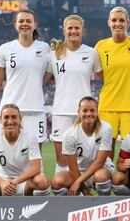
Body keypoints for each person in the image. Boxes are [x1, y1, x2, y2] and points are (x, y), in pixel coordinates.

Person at [0, 9, 50, 147]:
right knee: (8, 154)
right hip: (10, 109)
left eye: (28, 21)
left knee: (35, 156)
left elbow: (49, 75)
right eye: (21, 21)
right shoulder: (5, 48)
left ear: (35, 25)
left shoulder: (45, 48)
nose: (25, 24)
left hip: (36, 109)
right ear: (15, 25)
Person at [47, 15, 101, 173]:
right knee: (62, 160)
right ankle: (64, 188)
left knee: (86, 157)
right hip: (61, 111)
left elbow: (104, 77)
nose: (73, 31)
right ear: (64, 31)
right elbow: (47, 78)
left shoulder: (91, 53)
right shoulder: (54, 54)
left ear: (83, 31)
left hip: (85, 113)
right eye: (70, 28)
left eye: (77, 28)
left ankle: (81, 186)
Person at [95, 6, 130, 159]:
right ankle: (107, 179)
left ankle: (125, 180)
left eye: (121, 20)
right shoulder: (100, 46)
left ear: (128, 23)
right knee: (106, 150)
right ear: (109, 23)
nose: (118, 23)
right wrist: (114, 80)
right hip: (108, 105)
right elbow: (98, 72)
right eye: (114, 20)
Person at [0, 104, 50, 196]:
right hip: (2, 183)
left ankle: (35, 209)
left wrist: (15, 182)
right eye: (6, 117)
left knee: (42, 181)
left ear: (20, 119)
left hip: (25, 183)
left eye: (14, 117)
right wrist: (2, 182)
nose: (10, 121)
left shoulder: (30, 137)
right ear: (0, 119)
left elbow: (36, 168)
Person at [51, 97, 114, 196]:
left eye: (92, 110)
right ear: (79, 112)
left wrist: (78, 182)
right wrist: (85, 191)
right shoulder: (69, 134)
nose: (88, 114)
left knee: (101, 177)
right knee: (57, 181)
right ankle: (71, 208)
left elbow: (100, 162)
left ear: (97, 112)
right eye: (85, 110)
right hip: (77, 172)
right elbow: (73, 168)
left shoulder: (106, 128)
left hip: (101, 168)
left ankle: (103, 206)